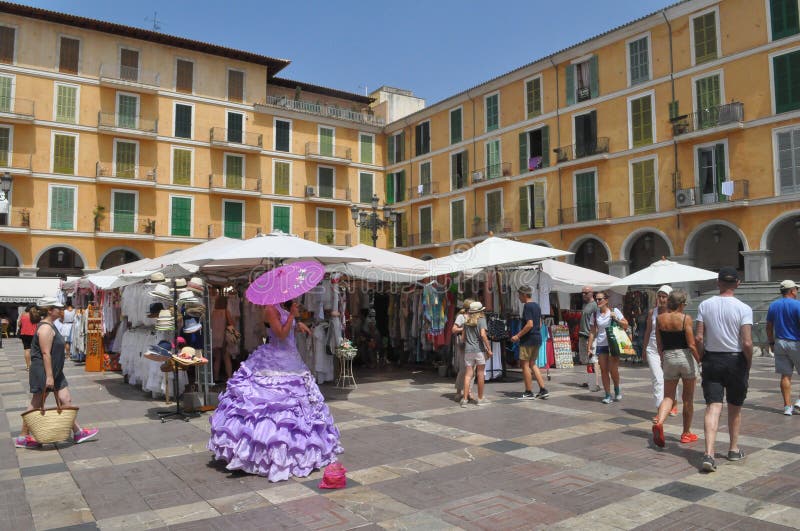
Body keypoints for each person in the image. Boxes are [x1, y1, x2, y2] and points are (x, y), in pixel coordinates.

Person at [208, 299, 342, 481]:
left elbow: (287, 330)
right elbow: (280, 334)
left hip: (291, 358)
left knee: (301, 401)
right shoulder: (270, 309)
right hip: (275, 361)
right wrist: (292, 316)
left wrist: (297, 325)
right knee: (272, 405)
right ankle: (263, 452)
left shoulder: (281, 308)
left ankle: (304, 444)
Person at [14, 297, 98, 449]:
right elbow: (45, 354)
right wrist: (49, 377)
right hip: (44, 372)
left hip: (55, 371)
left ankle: (77, 432)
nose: (62, 310)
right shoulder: (45, 328)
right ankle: (22, 437)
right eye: (59, 308)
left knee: (66, 400)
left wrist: (54, 374)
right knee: (36, 403)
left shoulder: (52, 325)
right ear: (50, 310)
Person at [695, 267, 753, 472]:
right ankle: (733, 449)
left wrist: (702, 356)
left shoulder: (705, 305)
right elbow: (747, 342)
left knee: (713, 406)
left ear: (718, 283)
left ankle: (709, 454)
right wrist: (748, 362)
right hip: (736, 360)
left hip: (712, 359)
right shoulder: (744, 308)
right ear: (737, 283)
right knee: (735, 406)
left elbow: (699, 337)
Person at [652, 289, 701, 447]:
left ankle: (659, 422)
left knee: (668, 396)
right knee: (688, 399)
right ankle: (686, 433)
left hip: (668, 357)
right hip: (685, 357)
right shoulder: (685, 318)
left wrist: (662, 359)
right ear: (681, 304)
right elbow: (691, 344)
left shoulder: (660, 319)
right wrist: (700, 361)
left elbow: (659, 344)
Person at [643, 285, 680, 417]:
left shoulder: (673, 313)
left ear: (669, 298)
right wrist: (644, 349)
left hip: (668, 349)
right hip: (652, 349)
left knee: (670, 378)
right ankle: (660, 410)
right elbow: (648, 331)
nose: (661, 299)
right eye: (659, 296)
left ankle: (674, 402)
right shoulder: (652, 312)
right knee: (658, 380)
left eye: (664, 296)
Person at [765, 280, 800, 416]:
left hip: (779, 342)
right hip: (796, 342)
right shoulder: (797, 305)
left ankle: (787, 407)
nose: (797, 292)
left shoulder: (774, 305)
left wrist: (771, 343)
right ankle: (799, 402)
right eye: (796, 289)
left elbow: (769, 326)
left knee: (785, 375)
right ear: (791, 291)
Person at [587, 291, 628, 404]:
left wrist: (616, 319)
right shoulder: (595, 314)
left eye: (600, 299)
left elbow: (626, 324)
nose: (598, 301)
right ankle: (607, 395)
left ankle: (617, 388)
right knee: (604, 370)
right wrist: (589, 346)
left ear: (606, 300)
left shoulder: (614, 311)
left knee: (613, 370)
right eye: (596, 299)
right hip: (601, 344)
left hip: (612, 344)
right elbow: (592, 331)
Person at [510, 286, 549, 399]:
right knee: (533, 364)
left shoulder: (527, 306)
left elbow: (530, 324)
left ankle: (528, 391)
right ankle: (543, 389)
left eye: (519, 295)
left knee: (525, 365)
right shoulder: (537, 306)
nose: (519, 297)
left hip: (528, 340)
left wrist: (518, 336)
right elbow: (539, 324)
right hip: (537, 337)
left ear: (524, 295)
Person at [460, 301, 493, 407]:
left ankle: (465, 399)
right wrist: (489, 349)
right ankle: (480, 398)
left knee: (468, 375)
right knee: (480, 374)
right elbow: (483, 335)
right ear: (480, 311)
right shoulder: (481, 320)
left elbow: (462, 338)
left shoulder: (466, 321)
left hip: (468, 351)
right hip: (479, 350)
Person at [451, 298, 475, 402]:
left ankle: (469, 391)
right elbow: (454, 329)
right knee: (463, 369)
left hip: (473, 344)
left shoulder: (475, 316)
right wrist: (464, 328)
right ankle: (458, 390)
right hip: (463, 345)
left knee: (472, 369)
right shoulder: (461, 317)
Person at [578, 286, 600, 391]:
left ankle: (595, 383)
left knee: (593, 359)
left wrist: (593, 337)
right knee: (587, 360)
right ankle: (590, 380)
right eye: (582, 293)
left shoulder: (595, 306)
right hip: (583, 335)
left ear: (592, 293)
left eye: (585, 293)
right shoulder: (586, 305)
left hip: (590, 336)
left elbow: (597, 323)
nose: (583, 295)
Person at [211, 295, 235, 383]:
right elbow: (232, 324)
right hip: (224, 337)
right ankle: (229, 377)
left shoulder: (213, 312)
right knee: (226, 357)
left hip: (214, 337)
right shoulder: (226, 312)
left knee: (217, 358)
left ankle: (216, 378)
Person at [18, 305, 36, 371]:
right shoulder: (34, 315)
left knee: (27, 349)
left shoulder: (23, 315)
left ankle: (28, 367)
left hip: (24, 334)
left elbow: (19, 324)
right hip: (33, 333)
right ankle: (35, 365)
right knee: (35, 349)